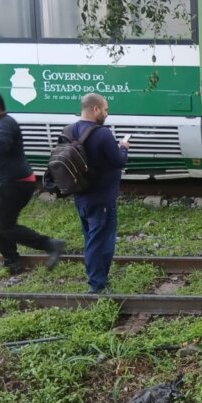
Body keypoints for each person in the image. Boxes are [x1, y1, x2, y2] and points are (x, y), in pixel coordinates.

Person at [0, 91, 66, 274]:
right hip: (10, 182)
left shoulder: (6, 124)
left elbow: (2, 145)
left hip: (15, 183)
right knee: (0, 223)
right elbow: (0, 147)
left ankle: (51, 244)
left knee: (3, 225)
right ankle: (11, 261)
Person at [70, 93, 128, 294]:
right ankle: (97, 286)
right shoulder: (102, 134)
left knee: (91, 239)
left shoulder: (70, 130)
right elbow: (118, 161)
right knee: (101, 242)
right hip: (102, 198)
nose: (106, 113)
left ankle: (97, 279)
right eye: (105, 109)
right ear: (95, 109)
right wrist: (124, 147)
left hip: (81, 196)